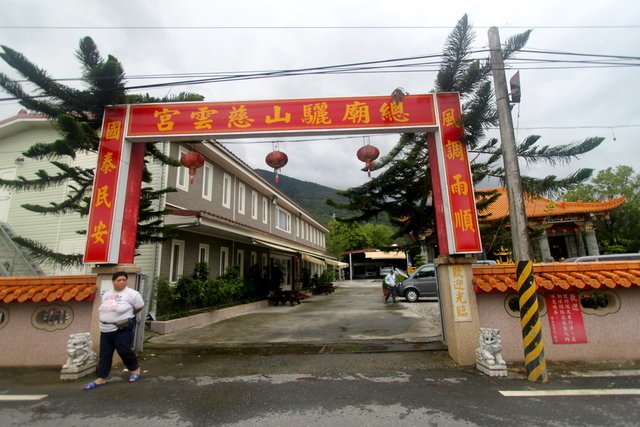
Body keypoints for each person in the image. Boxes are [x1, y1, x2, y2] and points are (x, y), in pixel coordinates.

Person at [83, 271, 144, 390]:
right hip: (105, 329)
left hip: (122, 328)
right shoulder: (107, 294)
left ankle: (135, 369)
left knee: (124, 350)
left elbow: (139, 307)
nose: (122, 282)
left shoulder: (132, 294)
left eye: (124, 280)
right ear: (113, 282)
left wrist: (127, 316)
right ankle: (101, 378)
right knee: (105, 354)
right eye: (119, 280)